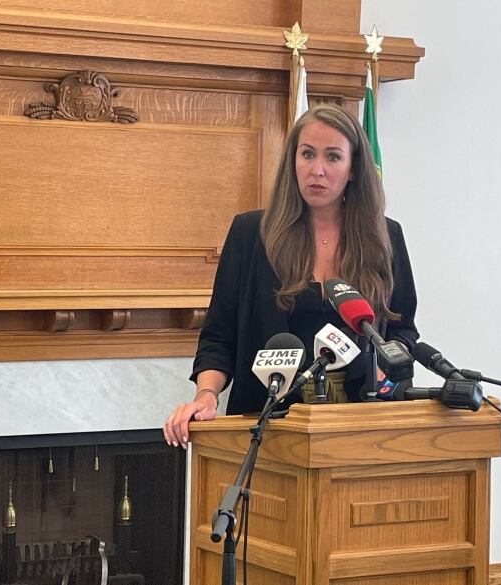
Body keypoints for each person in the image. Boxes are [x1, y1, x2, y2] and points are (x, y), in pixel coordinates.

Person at [163, 104, 418, 448]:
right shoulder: (251, 233)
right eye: (307, 154)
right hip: (269, 426)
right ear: (292, 161)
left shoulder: (386, 237)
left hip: (359, 429)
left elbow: (403, 329)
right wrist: (206, 396)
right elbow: (219, 337)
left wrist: (390, 361)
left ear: (353, 168)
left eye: (332, 157)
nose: (317, 170)